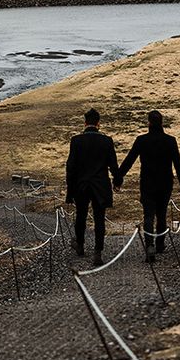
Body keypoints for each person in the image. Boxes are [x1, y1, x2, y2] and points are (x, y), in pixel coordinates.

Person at [116, 110, 180, 262]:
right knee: (161, 214)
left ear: (149, 122)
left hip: (147, 183)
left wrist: (118, 178)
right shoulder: (170, 140)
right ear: (161, 123)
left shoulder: (142, 140)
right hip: (165, 183)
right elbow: (178, 164)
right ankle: (160, 244)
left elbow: (129, 160)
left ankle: (150, 246)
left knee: (148, 215)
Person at [65, 108, 120, 266]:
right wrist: (117, 181)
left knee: (81, 216)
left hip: (81, 185)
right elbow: (113, 166)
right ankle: (98, 251)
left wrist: (70, 191)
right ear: (98, 124)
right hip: (100, 185)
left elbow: (71, 167)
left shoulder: (76, 141)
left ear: (85, 123)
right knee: (99, 219)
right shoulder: (107, 141)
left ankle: (80, 245)